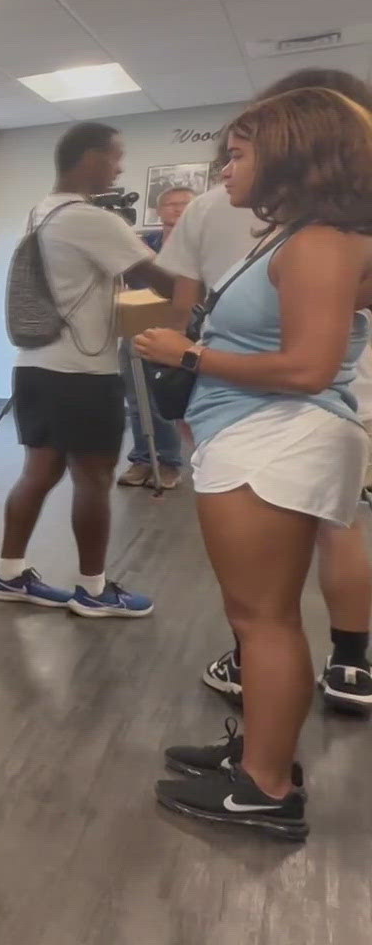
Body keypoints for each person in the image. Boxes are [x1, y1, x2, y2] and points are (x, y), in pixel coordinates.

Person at [137, 85, 372, 840]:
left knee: (264, 621)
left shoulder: (317, 244)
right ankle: (262, 757)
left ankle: (267, 787)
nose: (223, 173)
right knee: (256, 619)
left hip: (277, 438)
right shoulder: (297, 238)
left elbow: (307, 366)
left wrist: (191, 353)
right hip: (259, 437)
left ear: (290, 155)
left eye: (236, 156)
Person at [0, 122, 173, 617]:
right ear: (89, 157)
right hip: (82, 373)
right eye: (116, 156)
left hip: (37, 368)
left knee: (39, 471)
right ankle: (93, 590)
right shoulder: (92, 219)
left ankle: (6, 575)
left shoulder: (41, 211)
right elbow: (160, 282)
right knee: (93, 476)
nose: (120, 166)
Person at [117, 186, 194, 488]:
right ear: (159, 211)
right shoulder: (143, 242)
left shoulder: (198, 244)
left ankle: (170, 462)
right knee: (137, 398)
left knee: (167, 397)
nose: (177, 210)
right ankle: (142, 458)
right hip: (137, 325)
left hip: (178, 331)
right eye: (171, 205)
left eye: (184, 204)